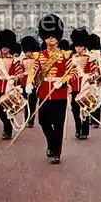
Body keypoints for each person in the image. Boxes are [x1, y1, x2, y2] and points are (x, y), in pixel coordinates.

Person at [25, 14, 78, 164]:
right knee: (43, 121)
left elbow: (73, 73)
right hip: (44, 93)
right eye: (48, 36)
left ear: (58, 37)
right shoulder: (40, 56)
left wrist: (62, 81)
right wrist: (29, 83)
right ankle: (51, 144)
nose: (51, 39)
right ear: (44, 37)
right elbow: (34, 71)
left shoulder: (65, 55)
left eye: (54, 36)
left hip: (59, 94)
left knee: (59, 124)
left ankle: (56, 153)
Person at [0, 30, 24, 140]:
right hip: (0, 86)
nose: (4, 49)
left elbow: (19, 72)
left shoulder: (14, 60)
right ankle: (6, 124)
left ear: (10, 47)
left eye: (6, 47)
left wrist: (14, 78)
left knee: (9, 108)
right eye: (2, 47)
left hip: (9, 86)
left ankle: (7, 129)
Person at [69, 28, 99, 140]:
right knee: (75, 109)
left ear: (85, 46)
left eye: (80, 46)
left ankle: (85, 131)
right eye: (76, 46)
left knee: (85, 108)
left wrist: (91, 77)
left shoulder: (90, 58)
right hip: (75, 87)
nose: (78, 49)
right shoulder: (72, 59)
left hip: (85, 87)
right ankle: (78, 128)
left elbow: (96, 71)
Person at [20, 36, 40, 128]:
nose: (27, 53)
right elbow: (20, 70)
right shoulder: (23, 60)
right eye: (26, 51)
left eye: (28, 51)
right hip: (24, 82)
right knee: (25, 101)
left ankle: (31, 120)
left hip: (33, 82)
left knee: (32, 102)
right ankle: (26, 118)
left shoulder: (36, 59)